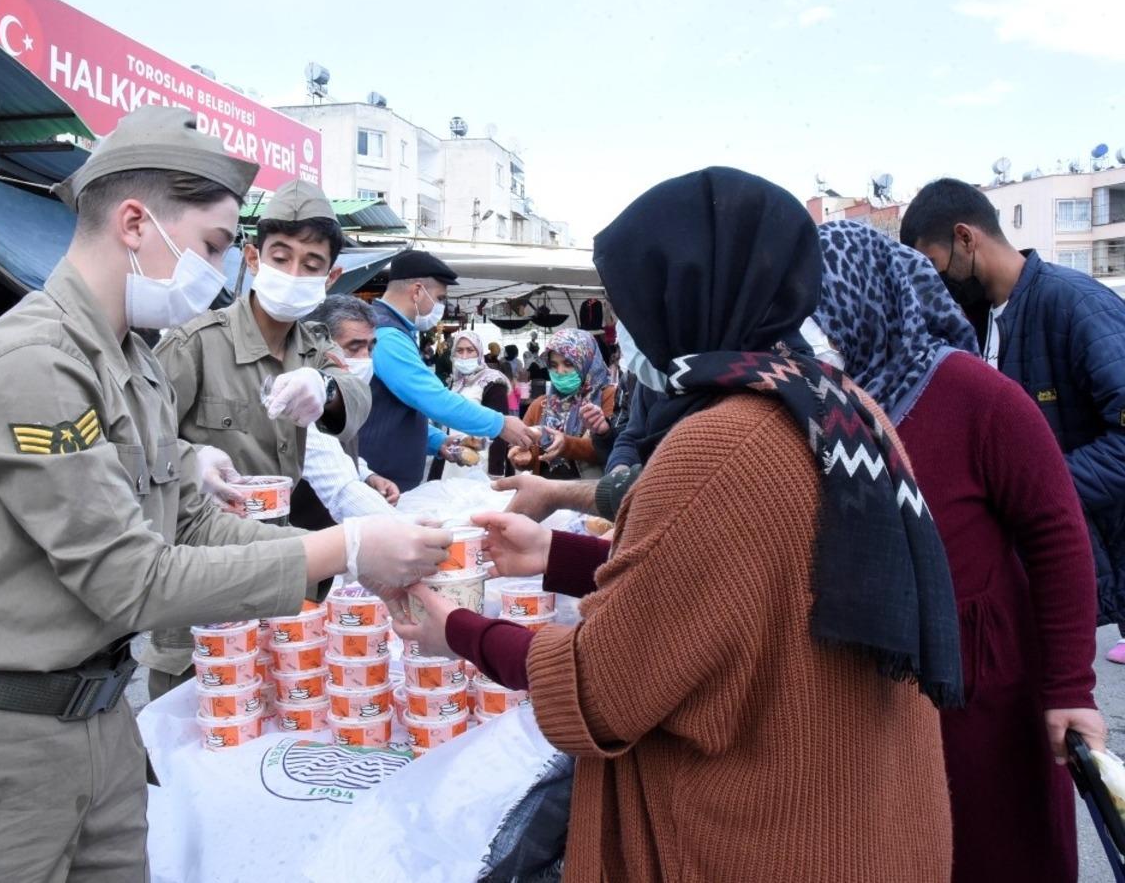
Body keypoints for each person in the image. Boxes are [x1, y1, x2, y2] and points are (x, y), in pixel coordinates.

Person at [0, 107, 451, 883]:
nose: (221, 270)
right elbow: (131, 576)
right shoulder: (35, 365)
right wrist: (346, 547)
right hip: (1, 736)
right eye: (213, 246)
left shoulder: (130, 362)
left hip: (103, 718)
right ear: (136, 222)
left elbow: (194, 518)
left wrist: (345, 566)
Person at [398, 167, 961, 882]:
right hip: (868, 823)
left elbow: (600, 685)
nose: (626, 328)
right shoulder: (837, 408)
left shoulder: (723, 442)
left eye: (633, 301)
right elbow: (726, 589)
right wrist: (555, 553)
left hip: (770, 840)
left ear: (685, 293)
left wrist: (456, 629)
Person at [816, 219, 1104, 882]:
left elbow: (1058, 534)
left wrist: (1071, 687)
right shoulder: (829, 409)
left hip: (989, 699)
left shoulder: (977, 396)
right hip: (880, 698)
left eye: (820, 310)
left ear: (864, 300)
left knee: (1000, 852)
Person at [141, 179, 371, 698]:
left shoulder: (313, 349)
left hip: (284, 576)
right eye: (281, 257)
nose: (294, 274)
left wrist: (326, 388)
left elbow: (358, 397)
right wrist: (188, 456)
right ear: (251, 257)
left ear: (331, 276)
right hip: (203, 582)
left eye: (311, 265)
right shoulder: (196, 342)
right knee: (193, 731)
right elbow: (133, 436)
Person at [900, 179, 1125, 660]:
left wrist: (1036, 487)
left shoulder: (1074, 305)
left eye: (934, 265)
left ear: (965, 238)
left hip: (1091, 549)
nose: (932, 282)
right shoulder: (972, 322)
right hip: (1032, 569)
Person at [359, 250, 535, 491]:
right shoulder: (386, 335)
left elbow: (399, 411)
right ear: (417, 291)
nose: (441, 306)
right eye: (440, 298)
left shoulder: (395, 330)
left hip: (386, 480)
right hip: (377, 481)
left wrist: (438, 441)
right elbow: (431, 398)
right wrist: (500, 424)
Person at [300, 296, 402, 519]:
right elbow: (336, 483)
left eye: (370, 348)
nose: (365, 358)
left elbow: (340, 452)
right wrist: (403, 528)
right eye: (354, 348)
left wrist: (366, 475)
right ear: (319, 345)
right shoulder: (303, 397)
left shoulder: (348, 396)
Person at [509, 328, 616, 479]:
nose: (560, 371)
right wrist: (523, 456)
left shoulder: (608, 396)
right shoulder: (541, 405)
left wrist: (566, 445)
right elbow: (531, 454)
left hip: (590, 495)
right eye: (553, 365)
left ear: (587, 360)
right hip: (546, 496)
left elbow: (611, 449)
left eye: (568, 363)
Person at [429, 329, 511, 479]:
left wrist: (495, 471)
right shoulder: (454, 382)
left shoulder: (492, 382)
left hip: (481, 462)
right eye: (459, 351)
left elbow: (501, 430)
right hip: (453, 458)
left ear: (479, 353)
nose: (464, 356)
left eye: (470, 350)